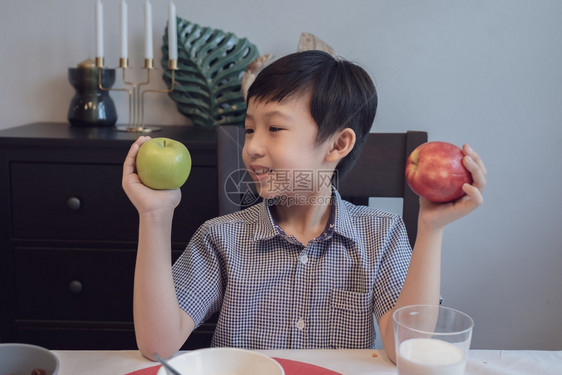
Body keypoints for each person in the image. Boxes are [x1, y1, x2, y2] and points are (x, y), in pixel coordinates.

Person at [122, 50, 487, 362]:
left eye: (275, 129)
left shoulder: (382, 234)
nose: (252, 147)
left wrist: (431, 229)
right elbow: (158, 346)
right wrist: (154, 216)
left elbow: (408, 348)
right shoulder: (221, 238)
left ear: (337, 145)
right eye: (250, 129)